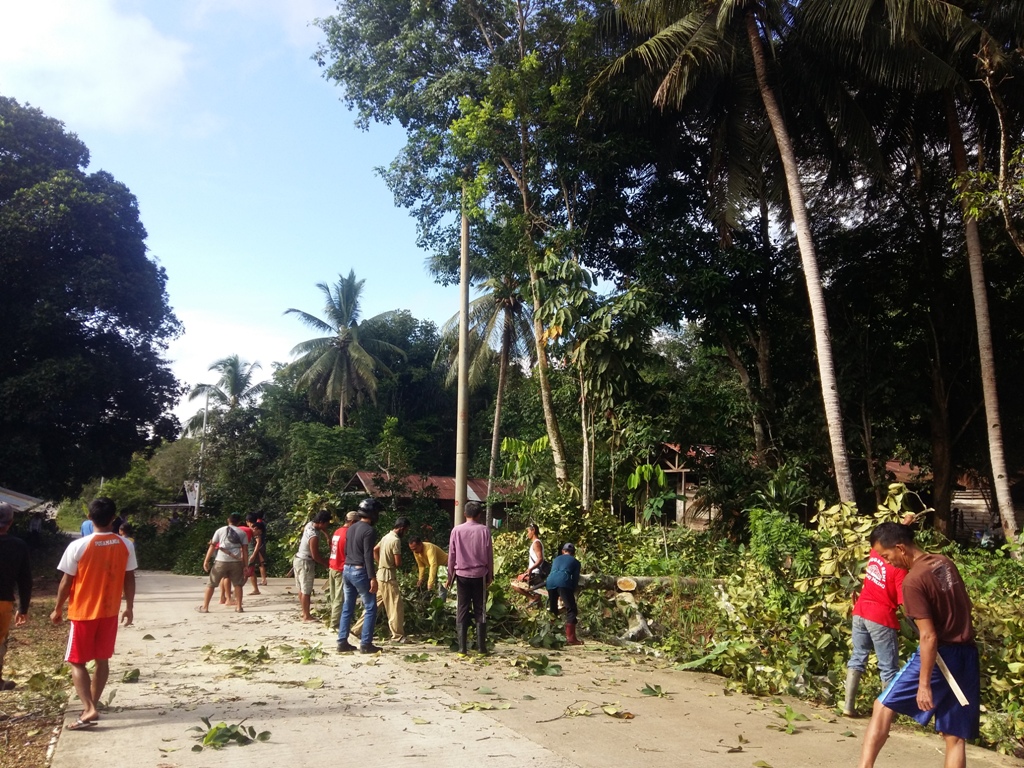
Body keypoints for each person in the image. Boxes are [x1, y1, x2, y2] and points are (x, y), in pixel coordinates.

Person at [858, 522, 979, 768]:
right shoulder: (943, 563)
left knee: (882, 705)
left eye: (887, 556)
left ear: (901, 548)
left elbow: (928, 637)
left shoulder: (913, 581)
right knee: (954, 735)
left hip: (941, 656)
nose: (888, 562)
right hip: (967, 654)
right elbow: (966, 606)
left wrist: (924, 684)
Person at [50, 497, 136, 730]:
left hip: (83, 612)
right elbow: (129, 578)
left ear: (89, 517)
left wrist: (58, 608)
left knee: (76, 661)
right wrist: (129, 606)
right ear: (114, 518)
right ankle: (92, 705)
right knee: (102, 660)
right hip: (109, 611)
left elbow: (66, 581)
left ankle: (89, 708)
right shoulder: (125, 545)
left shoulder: (78, 546)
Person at [844, 527, 907, 716]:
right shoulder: (899, 569)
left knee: (858, 657)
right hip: (880, 616)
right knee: (888, 667)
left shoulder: (876, 552)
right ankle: (886, 714)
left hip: (860, 611)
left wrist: (905, 523)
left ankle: (848, 706)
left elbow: (887, 536)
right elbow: (904, 602)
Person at [447, 501, 493, 654]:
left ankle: (462, 648)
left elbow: (452, 556)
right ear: (479, 515)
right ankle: (481, 648)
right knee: (480, 609)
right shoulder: (484, 530)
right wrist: (490, 575)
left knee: (462, 608)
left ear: (464, 514)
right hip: (480, 575)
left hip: (461, 575)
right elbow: (489, 555)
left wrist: (449, 576)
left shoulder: (456, 530)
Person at [337, 499, 382, 654]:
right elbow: (368, 555)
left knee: (347, 607)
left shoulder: (351, 528)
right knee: (370, 607)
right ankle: (366, 644)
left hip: (347, 569)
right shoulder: (369, 531)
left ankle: (342, 642)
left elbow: (347, 550)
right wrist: (372, 577)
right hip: (359, 571)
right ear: (373, 514)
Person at [363, 516, 411, 644]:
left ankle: (356, 630)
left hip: (380, 575)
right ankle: (398, 636)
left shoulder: (386, 537)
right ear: (401, 528)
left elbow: (375, 550)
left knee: (373, 604)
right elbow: (398, 562)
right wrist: (393, 564)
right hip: (389, 577)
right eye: (406, 530)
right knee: (395, 606)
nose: (405, 533)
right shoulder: (395, 540)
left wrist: (380, 562)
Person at [0, 503, 31, 691]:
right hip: (3, 602)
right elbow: (25, 580)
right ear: (10, 522)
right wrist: (23, 607)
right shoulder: (18, 546)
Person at [200, 513, 249, 613]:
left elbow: (212, 546)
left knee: (211, 584)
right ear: (239, 522)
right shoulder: (242, 533)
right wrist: (245, 565)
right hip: (236, 561)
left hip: (221, 560)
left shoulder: (220, 530)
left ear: (228, 520)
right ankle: (239, 607)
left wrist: (206, 560)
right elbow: (245, 550)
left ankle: (205, 607)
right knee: (238, 584)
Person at [294, 510, 331, 622]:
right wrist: (325, 563)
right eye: (326, 523)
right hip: (306, 562)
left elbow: (322, 528)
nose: (327, 526)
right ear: (321, 522)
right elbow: (315, 556)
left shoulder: (309, 524)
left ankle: (303, 612)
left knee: (301, 588)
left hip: (298, 559)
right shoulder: (313, 536)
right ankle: (307, 616)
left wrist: (327, 536)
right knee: (306, 590)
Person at [327, 511, 360, 630]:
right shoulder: (349, 534)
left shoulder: (337, 531)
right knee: (340, 598)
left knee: (334, 597)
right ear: (352, 522)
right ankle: (334, 624)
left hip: (332, 566)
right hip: (341, 568)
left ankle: (336, 619)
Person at [546, 542, 583, 645]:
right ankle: (571, 638)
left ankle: (551, 635)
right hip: (563, 582)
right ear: (573, 553)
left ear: (563, 551)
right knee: (571, 609)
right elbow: (575, 578)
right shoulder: (575, 562)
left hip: (550, 582)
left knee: (553, 609)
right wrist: (572, 590)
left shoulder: (556, 559)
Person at [511, 523, 546, 605]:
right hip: (535, 572)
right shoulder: (535, 543)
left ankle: (531, 598)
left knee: (515, 584)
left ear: (533, 531)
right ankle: (537, 602)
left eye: (528, 531)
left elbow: (540, 559)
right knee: (537, 593)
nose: (527, 534)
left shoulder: (536, 543)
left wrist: (531, 569)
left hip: (535, 573)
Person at [246, 512, 268, 587]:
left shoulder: (254, 527)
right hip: (260, 546)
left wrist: (253, 554)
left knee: (259, 564)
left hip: (256, 548)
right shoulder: (261, 524)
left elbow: (258, 541)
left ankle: (263, 580)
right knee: (260, 564)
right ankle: (263, 580)